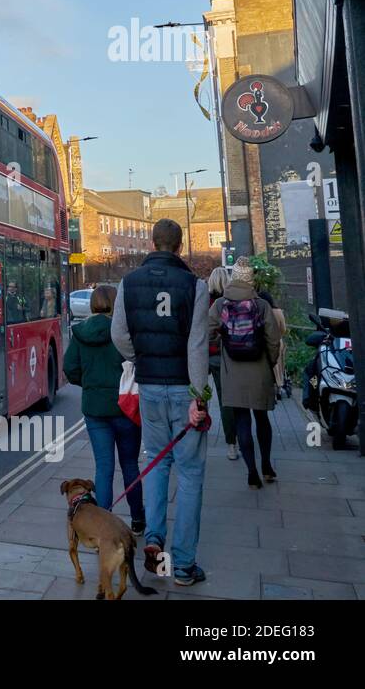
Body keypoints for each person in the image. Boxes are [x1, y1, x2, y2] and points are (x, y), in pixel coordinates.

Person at [111, 218, 211, 587]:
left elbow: (118, 334)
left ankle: (154, 538)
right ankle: (183, 565)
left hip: (149, 388)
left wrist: (140, 359)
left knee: (154, 462)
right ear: (179, 246)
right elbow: (197, 345)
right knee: (190, 473)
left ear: (152, 244)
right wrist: (199, 397)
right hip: (184, 389)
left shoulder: (128, 282)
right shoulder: (194, 286)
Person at [64, 285, 145, 534]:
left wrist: (89, 384)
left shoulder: (80, 333)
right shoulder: (123, 331)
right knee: (130, 463)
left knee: (104, 467)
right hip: (125, 408)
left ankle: (104, 525)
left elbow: (70, 369)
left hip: (95, 408)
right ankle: (138, 520)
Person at [209, 258, 283, 489]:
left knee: (242, 420)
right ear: (251, 279)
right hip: (259, 368)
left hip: (233, 371)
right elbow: (274, 340)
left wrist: (222, 340)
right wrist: (269, 363)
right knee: (262, 419)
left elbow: (206, 333)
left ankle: (252, 473)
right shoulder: (261, 305)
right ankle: (267, 466)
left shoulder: (220, 305)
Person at [206, 266, 239, 460]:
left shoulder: (203, 300)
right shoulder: (229, 302)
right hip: (222, 355)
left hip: (202, 355)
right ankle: (232, 444)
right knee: (225, 400)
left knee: (198, 397)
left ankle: (197, 432)